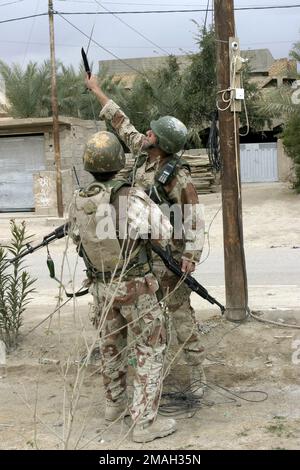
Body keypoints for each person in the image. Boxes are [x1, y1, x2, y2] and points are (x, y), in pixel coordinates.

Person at [85, 75, 206, 396]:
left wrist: (190, 258)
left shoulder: (177, 177)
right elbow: (121, 122)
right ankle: (143, 373)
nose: (145, 133)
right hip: (140, 257)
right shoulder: (142, 151)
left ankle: (196, 372)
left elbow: (194, 218)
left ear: (162, 143)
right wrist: (97, 90)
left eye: (152, 132)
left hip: (168, 260)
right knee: (140, 318)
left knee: (180, 315)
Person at [68, 130, 176, 443]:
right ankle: (144, 424)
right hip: (135, 287)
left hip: (101, 290)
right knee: (150, 348)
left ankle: (113, 405)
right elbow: (163, 232)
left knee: (110, 347)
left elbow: (77, 240)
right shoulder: (129, 196)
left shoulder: (79, 199)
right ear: (119, 161)